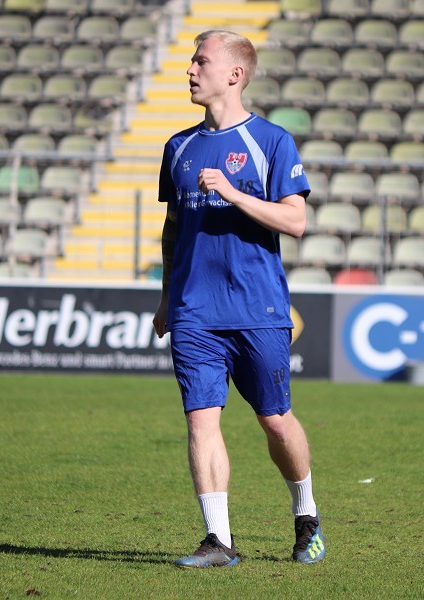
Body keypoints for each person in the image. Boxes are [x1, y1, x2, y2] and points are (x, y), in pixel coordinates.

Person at [152, 30, 325, 568]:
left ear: (234, 74)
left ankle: (306, 516)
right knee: (200, 420)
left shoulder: (271, 141)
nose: (190, 70)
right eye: (191, 61)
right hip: (194, 312)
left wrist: (231, 192)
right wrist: (167, 296)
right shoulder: (178, 147)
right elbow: (173, 228)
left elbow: (296, 220)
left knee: (275, 419)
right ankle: (219, 540)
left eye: (200, 61)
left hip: (258, 309)